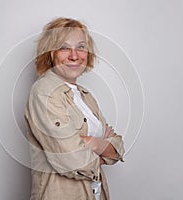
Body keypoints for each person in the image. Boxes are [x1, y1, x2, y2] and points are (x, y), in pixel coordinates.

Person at [24, 17, 125, 200]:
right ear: (50, 53)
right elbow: (71, 159)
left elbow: (118, 145)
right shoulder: (44, 92)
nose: (74, 55)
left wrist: (92, 143)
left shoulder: (85, 96)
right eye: (64, 47)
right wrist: (103, 147)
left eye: (81, 46)